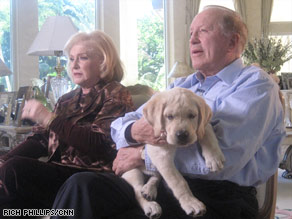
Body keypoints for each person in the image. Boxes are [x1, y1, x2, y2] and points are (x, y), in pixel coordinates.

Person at [51, 6, 286, 219]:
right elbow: (119, 126)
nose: (192, 39)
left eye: (203, 31)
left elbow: (220, 162)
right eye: (191, 33)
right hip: (162, 183)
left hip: (220, 197)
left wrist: (141, 156)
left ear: (232, 42)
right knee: (82, 185)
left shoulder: (256, 85)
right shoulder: (182, 86)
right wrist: (136, 131)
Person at [0, 30, 133, 216]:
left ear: (103, 62)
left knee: (13, 171)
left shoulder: (116, 94)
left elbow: (101, 144)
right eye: (71, 59)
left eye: (83, 58)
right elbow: (40, 140)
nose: (74, 65)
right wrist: (2, 160)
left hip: (92, 176)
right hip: (60, 173)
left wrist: (49, 118)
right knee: (7, 179)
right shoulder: (67, 100)